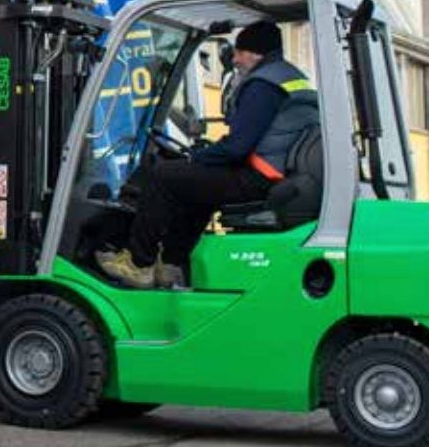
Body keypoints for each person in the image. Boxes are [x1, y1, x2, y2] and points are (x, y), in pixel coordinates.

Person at [96, 20, 319, 290]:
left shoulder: (262, 84)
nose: (235, 59)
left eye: (239, 52)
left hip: (259, 177)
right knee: (197, 188)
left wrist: (197, 157)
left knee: (162, 175)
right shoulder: (288, 76)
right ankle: (171, 265)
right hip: (278, 174)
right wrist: (205, 156)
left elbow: (238, 147)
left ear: (254, 53)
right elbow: (255, 137)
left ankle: (138, 264)